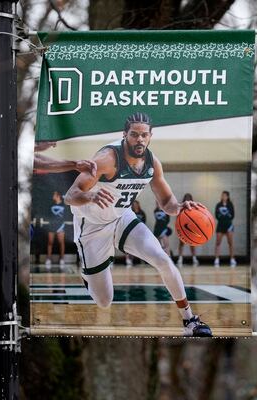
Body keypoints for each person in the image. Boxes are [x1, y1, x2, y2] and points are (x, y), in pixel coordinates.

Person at [64, 112, 212, 337]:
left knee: (162, 259)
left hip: (122, 217)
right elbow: (70, 195)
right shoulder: (107, 159)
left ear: (151, 136)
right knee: (104, 301)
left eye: (144, 135)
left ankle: (190, 321)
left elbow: (166, 202)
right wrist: (89, 197)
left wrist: (181, 207)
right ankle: (87, 272)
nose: (139, 139)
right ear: (125, 135)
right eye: (134, 135)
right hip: (92, 225)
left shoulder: (153, 163)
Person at [213, 191, 236, 267]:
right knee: (218, 242)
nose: (223, 197)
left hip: (228, 225)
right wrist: (222, 217)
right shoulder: (218, 205)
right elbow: (216, 215)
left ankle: (232, 259)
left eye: (225, 195)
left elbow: (232, 215)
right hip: (220, 225)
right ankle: (217, 259)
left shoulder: (230, 205)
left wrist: (227, 217)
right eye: (222, 195)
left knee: (230, 242)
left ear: (228, 197)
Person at [176, 193, 199, 267]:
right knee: (181, 244)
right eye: (186, 198)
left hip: (191, 229)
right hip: (183, 228)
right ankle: (180, 258)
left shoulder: (193, 208)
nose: (187, 200)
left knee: (192, 244)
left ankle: (194, 258)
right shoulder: (182, 208)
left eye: (189, 198)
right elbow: (178, 218)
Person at [46, 191, 67, 268]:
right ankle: (48, 259)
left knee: (61, 243)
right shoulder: (51, 205)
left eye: (54, 194)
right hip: (51, 226)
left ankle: (62, 259)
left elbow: (66, 215)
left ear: (58, 196)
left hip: (60, 226)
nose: (53, 196)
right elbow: (48, 215)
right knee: (50, 242)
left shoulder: (64, 204)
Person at [125, 200, 147, 267]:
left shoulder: (142, 212)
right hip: (131, 231)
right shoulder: (131, 212)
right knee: (129, 246)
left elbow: (144, 222)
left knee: (140, 246)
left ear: (138, 205)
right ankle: (129, 260)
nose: (135, 205)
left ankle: (142, 260)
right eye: (133, 204)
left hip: (139, 231)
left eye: (136, 204)